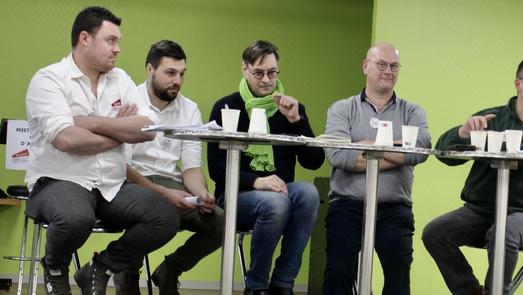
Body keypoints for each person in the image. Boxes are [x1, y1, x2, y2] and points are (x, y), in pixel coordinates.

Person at [24, 6, 180, 295]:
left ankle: (101, 267)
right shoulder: (49, 80)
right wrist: (121, 133)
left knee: (166, 216)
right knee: (75, 218)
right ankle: (55, 268)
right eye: (111, 40)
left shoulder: (120, 79)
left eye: (118, 41)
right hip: (60, 180)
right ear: (85, 38)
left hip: (111, 184)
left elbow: (148, 127)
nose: (118, 49)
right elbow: (66, 140)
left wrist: (93, 124)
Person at [422, 55, 523, 295]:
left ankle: (495, 292)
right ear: (518, 84)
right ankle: (471, 292)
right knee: (435, 233)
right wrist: (463, 132)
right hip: (481, 209)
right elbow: (443, 153)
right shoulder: (491, 118)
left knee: (503, 232)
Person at [207, 40, 324, 295]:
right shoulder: (226, 107)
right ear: (244, 69)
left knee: (308, 194)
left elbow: (314, 161)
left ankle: (283, 283)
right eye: (258, 73)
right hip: (235, 195)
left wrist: (296, 121)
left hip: (279, 192)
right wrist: (256, 182)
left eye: (272, 73)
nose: (266, 80)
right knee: (276, 203)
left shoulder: (290, 108)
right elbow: (217, 168)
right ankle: (256, 286)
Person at [323, 42, 431, 295]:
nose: (388, 71)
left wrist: (366, 146)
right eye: (381, 64)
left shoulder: (412, 111)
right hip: (347, 204)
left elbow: (421, 149)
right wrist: (399, 148)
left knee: (398, 271)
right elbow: (338, 154)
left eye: (394, 66)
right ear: (365, 66)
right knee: (338, 271)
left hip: (394, 208)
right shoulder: (342, 109)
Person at [121, 40, 224, 295]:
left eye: (181, 74)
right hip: (135, 181)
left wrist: (201, 193)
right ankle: (128, 273)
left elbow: (190, 166)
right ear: (149, 69)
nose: (177, 80)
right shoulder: (128, 101)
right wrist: (161, 193)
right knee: (148, 210)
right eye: (170, 73)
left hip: (173, 182)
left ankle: (171, 268)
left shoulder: (190, 109)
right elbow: (120, 164)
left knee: (220, 221)